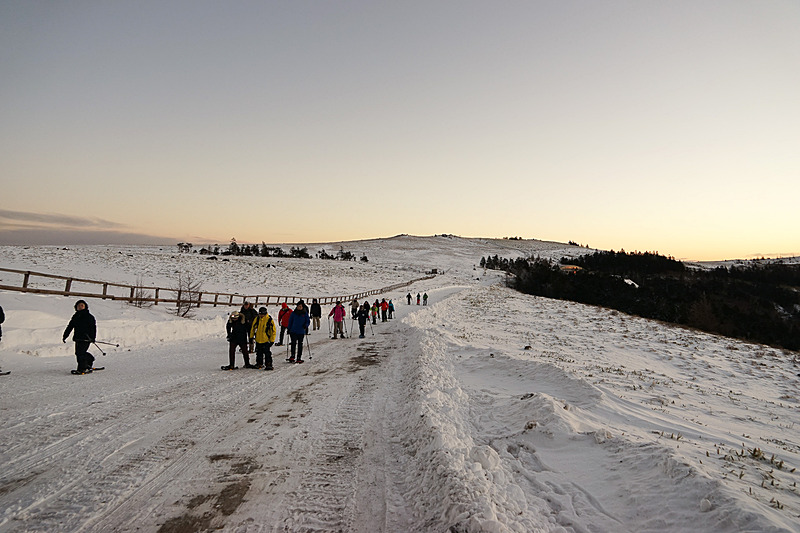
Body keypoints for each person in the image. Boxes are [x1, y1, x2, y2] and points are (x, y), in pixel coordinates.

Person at [62, 299, 97, 374]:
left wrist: (93, 338)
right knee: (79, 353)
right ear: (76, 307)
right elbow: (70, 326)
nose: (80, 307)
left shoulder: (89, 317)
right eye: (78, 306)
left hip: (87, 338)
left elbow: (93, 328)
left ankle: (82, 368)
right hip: (78, 337)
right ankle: (89, 360)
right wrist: (65, 335)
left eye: (82, 305)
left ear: (85, 307)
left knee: (80, 353)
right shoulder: (75, 316)